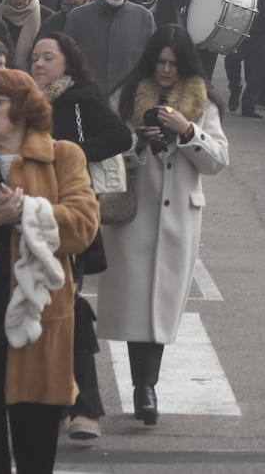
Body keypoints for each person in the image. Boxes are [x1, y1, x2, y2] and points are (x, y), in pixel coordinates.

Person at [0, 68, 97, 474]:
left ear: (24, 108)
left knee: (36, 453)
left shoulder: (63, 156)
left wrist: (28, 213)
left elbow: (83, 225)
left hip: (39, 326)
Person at [95, 24, 228, 427]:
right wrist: (137, 143)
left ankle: (147, 386)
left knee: (162, 307)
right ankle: (143, 389)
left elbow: (218, 160)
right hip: (135, 213)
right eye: (160, 62)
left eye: (173, 63)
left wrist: (187, 131)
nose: (166, 70)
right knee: (138, 303)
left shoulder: (203, 103)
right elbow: (104, 159)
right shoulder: (126, 96)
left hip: (178, 217)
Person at [29, 32, 131, 441]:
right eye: (35, 57)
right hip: (31, 215)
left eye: (47, 57)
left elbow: (121, 136)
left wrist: (76, 153)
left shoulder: (81, 98)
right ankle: (51, 400)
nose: (38, 64)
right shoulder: (26, 99)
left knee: (68, 310)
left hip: (73, 217)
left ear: (66, 63)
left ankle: (85, 408)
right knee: (37, 310)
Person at [64, 0, 155, 98]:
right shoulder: (77, 18)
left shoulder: (144, 18)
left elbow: (151, 64)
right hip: (88, 101)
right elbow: (66, 63)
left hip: (129, 103)